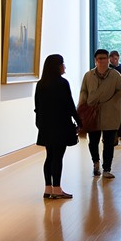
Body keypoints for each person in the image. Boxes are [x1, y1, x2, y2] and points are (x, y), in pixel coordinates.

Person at [79, 49, 121, 179]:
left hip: (111, 112)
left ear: (108, 59)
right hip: (93, 113)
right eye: (99, 59)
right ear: (95, 60)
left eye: (104, 58)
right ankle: (96, 163)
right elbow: (83, 92)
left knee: (109, 143)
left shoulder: (115, 75)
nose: (102, 61)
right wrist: (81, 109)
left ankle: (107, 168)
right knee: (93, 142)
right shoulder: (88, 76)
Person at [35, 54, 79, 200]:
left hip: (46, 126)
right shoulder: (62, 83)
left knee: (49, 157)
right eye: (62, 63)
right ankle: (58, 189)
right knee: (58, 157)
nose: (64, 66)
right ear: (57, 66)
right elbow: (70, 106)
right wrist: (80, 122)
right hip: (61, 125)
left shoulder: (41, 84)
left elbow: (37, 107)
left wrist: (39, 124)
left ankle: (48, 189)